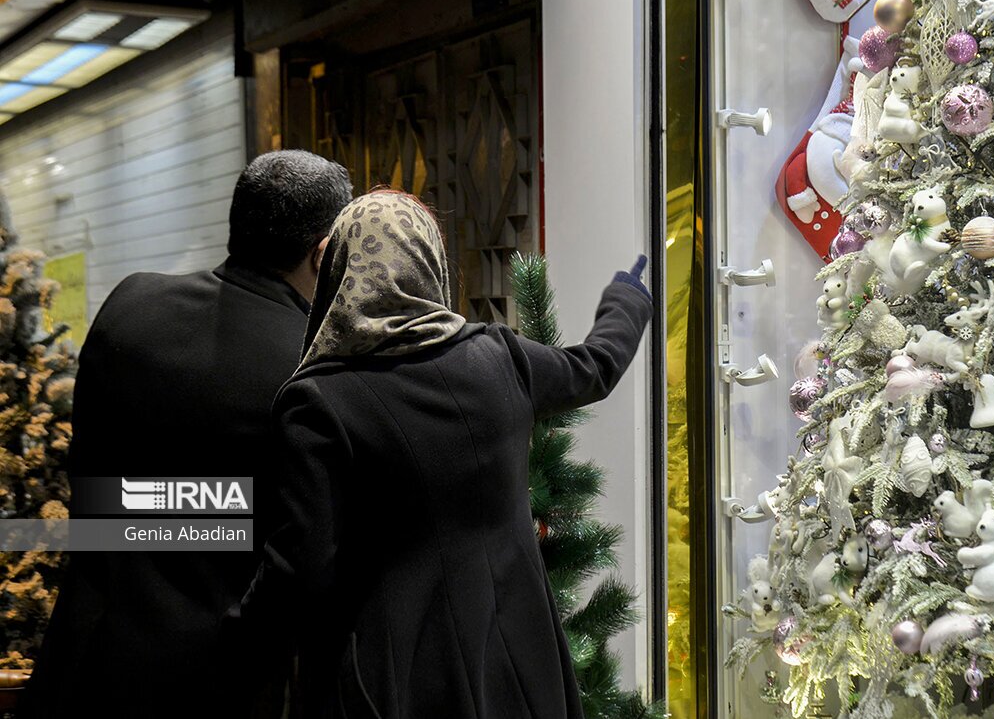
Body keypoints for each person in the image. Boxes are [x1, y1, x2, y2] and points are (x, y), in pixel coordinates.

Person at [231, 190, 652, 719]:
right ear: (428, 264)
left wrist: (230, 637)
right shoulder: (499, 356)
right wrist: (628, 297)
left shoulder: (318, 402)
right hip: (522, 658)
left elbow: (300, 569)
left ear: (341, 271)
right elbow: (595, 366)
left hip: (394, 677)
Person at [22, 150, 353, 719]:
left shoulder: (130, 302)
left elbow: (95, 490)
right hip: (216, 680)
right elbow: (305, 552)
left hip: (83, 660)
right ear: (324, 252)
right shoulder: (309, 367)